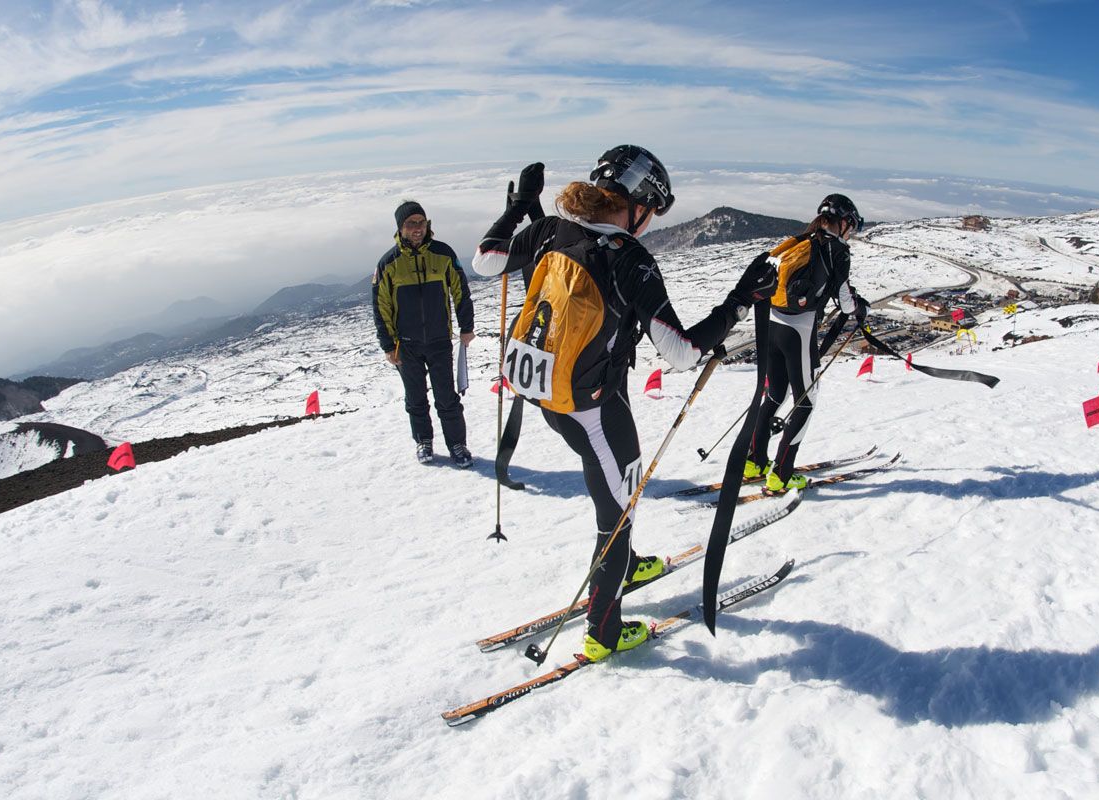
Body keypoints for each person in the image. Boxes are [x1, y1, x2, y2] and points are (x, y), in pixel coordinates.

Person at [472, 146, 778, 661]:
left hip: (552, 396)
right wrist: (739, 300)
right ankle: (604, 632)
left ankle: (628, 560)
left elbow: (485, 260)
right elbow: (679, 352)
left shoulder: (553, 230)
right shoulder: (628, 258)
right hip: (596, 408)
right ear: (638, 203)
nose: (650, 223)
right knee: (615, 513)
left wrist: (522, 205)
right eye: (653, 211)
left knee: (617, 494)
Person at [746, 194, 870, 494]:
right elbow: (844, 300)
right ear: (842, 222)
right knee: (806, 401)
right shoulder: (836, 250)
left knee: (775, 395)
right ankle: (782, 476)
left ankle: (754, 461)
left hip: (772, 324)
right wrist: (859, 308)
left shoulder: (801, 240)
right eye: (849, 225)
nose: (849, 231)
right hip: (798, 330)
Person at [372, 200, 476, 468]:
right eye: (411, 224)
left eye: (422, 222)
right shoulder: (389, 263)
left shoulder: (443, 254)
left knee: (447, 398)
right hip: (406, 345)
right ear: (400, 228)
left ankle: (457, 444)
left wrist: (467, 327)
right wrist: (387, 345)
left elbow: (460, 291)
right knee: (415, 399)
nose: (418, 228)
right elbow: (381, 306)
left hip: (440, 340)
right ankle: (423, 441)